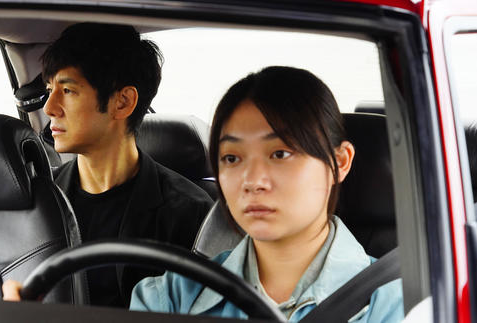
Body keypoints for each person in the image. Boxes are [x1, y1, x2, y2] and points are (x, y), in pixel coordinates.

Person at [130, 66, 403, 322]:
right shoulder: (167, 298)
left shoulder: (399, 305)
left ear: (340, 162)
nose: (252, 181)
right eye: (232, 158)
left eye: (280, 154)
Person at [2, 23, 213, 308]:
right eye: (50, 89)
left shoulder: (189, 212)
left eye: (68, 90)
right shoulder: (38, 202)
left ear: (123, 102)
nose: (49, 107)